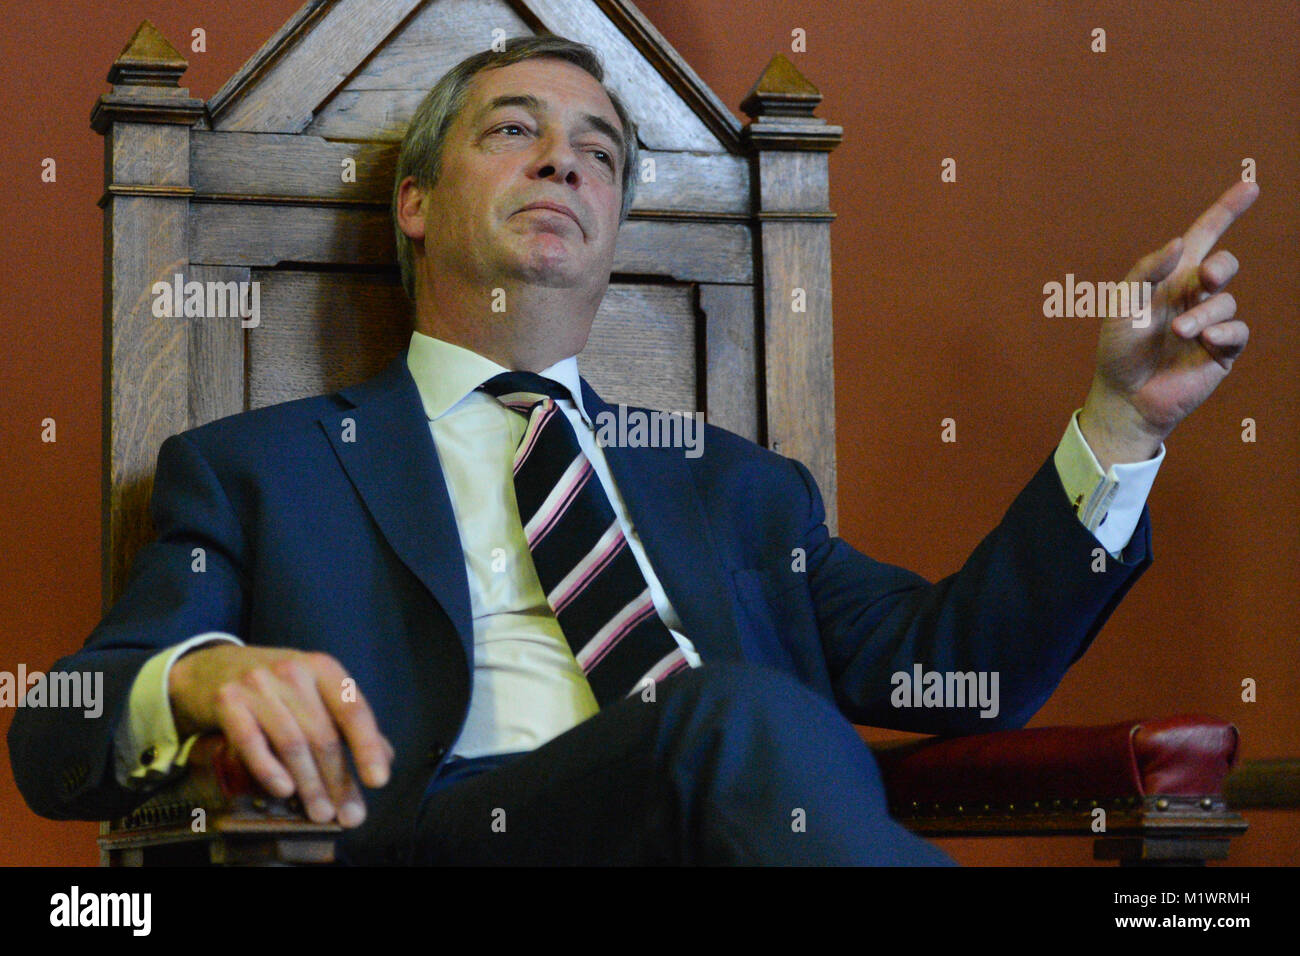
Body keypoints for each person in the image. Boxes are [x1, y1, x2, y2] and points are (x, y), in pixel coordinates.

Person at [8, 35, 1257, 865]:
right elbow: (51, 730)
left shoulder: (742, 490)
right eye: (512, 132)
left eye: (600, 153)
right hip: (439, 840)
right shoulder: (257, 466)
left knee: (742, 726)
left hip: (746, 830)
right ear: (415, 201)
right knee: (733, 716)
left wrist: (1121, 422)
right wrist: (198, 678)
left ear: (612, 228)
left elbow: (960, 674)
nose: (564, 157)